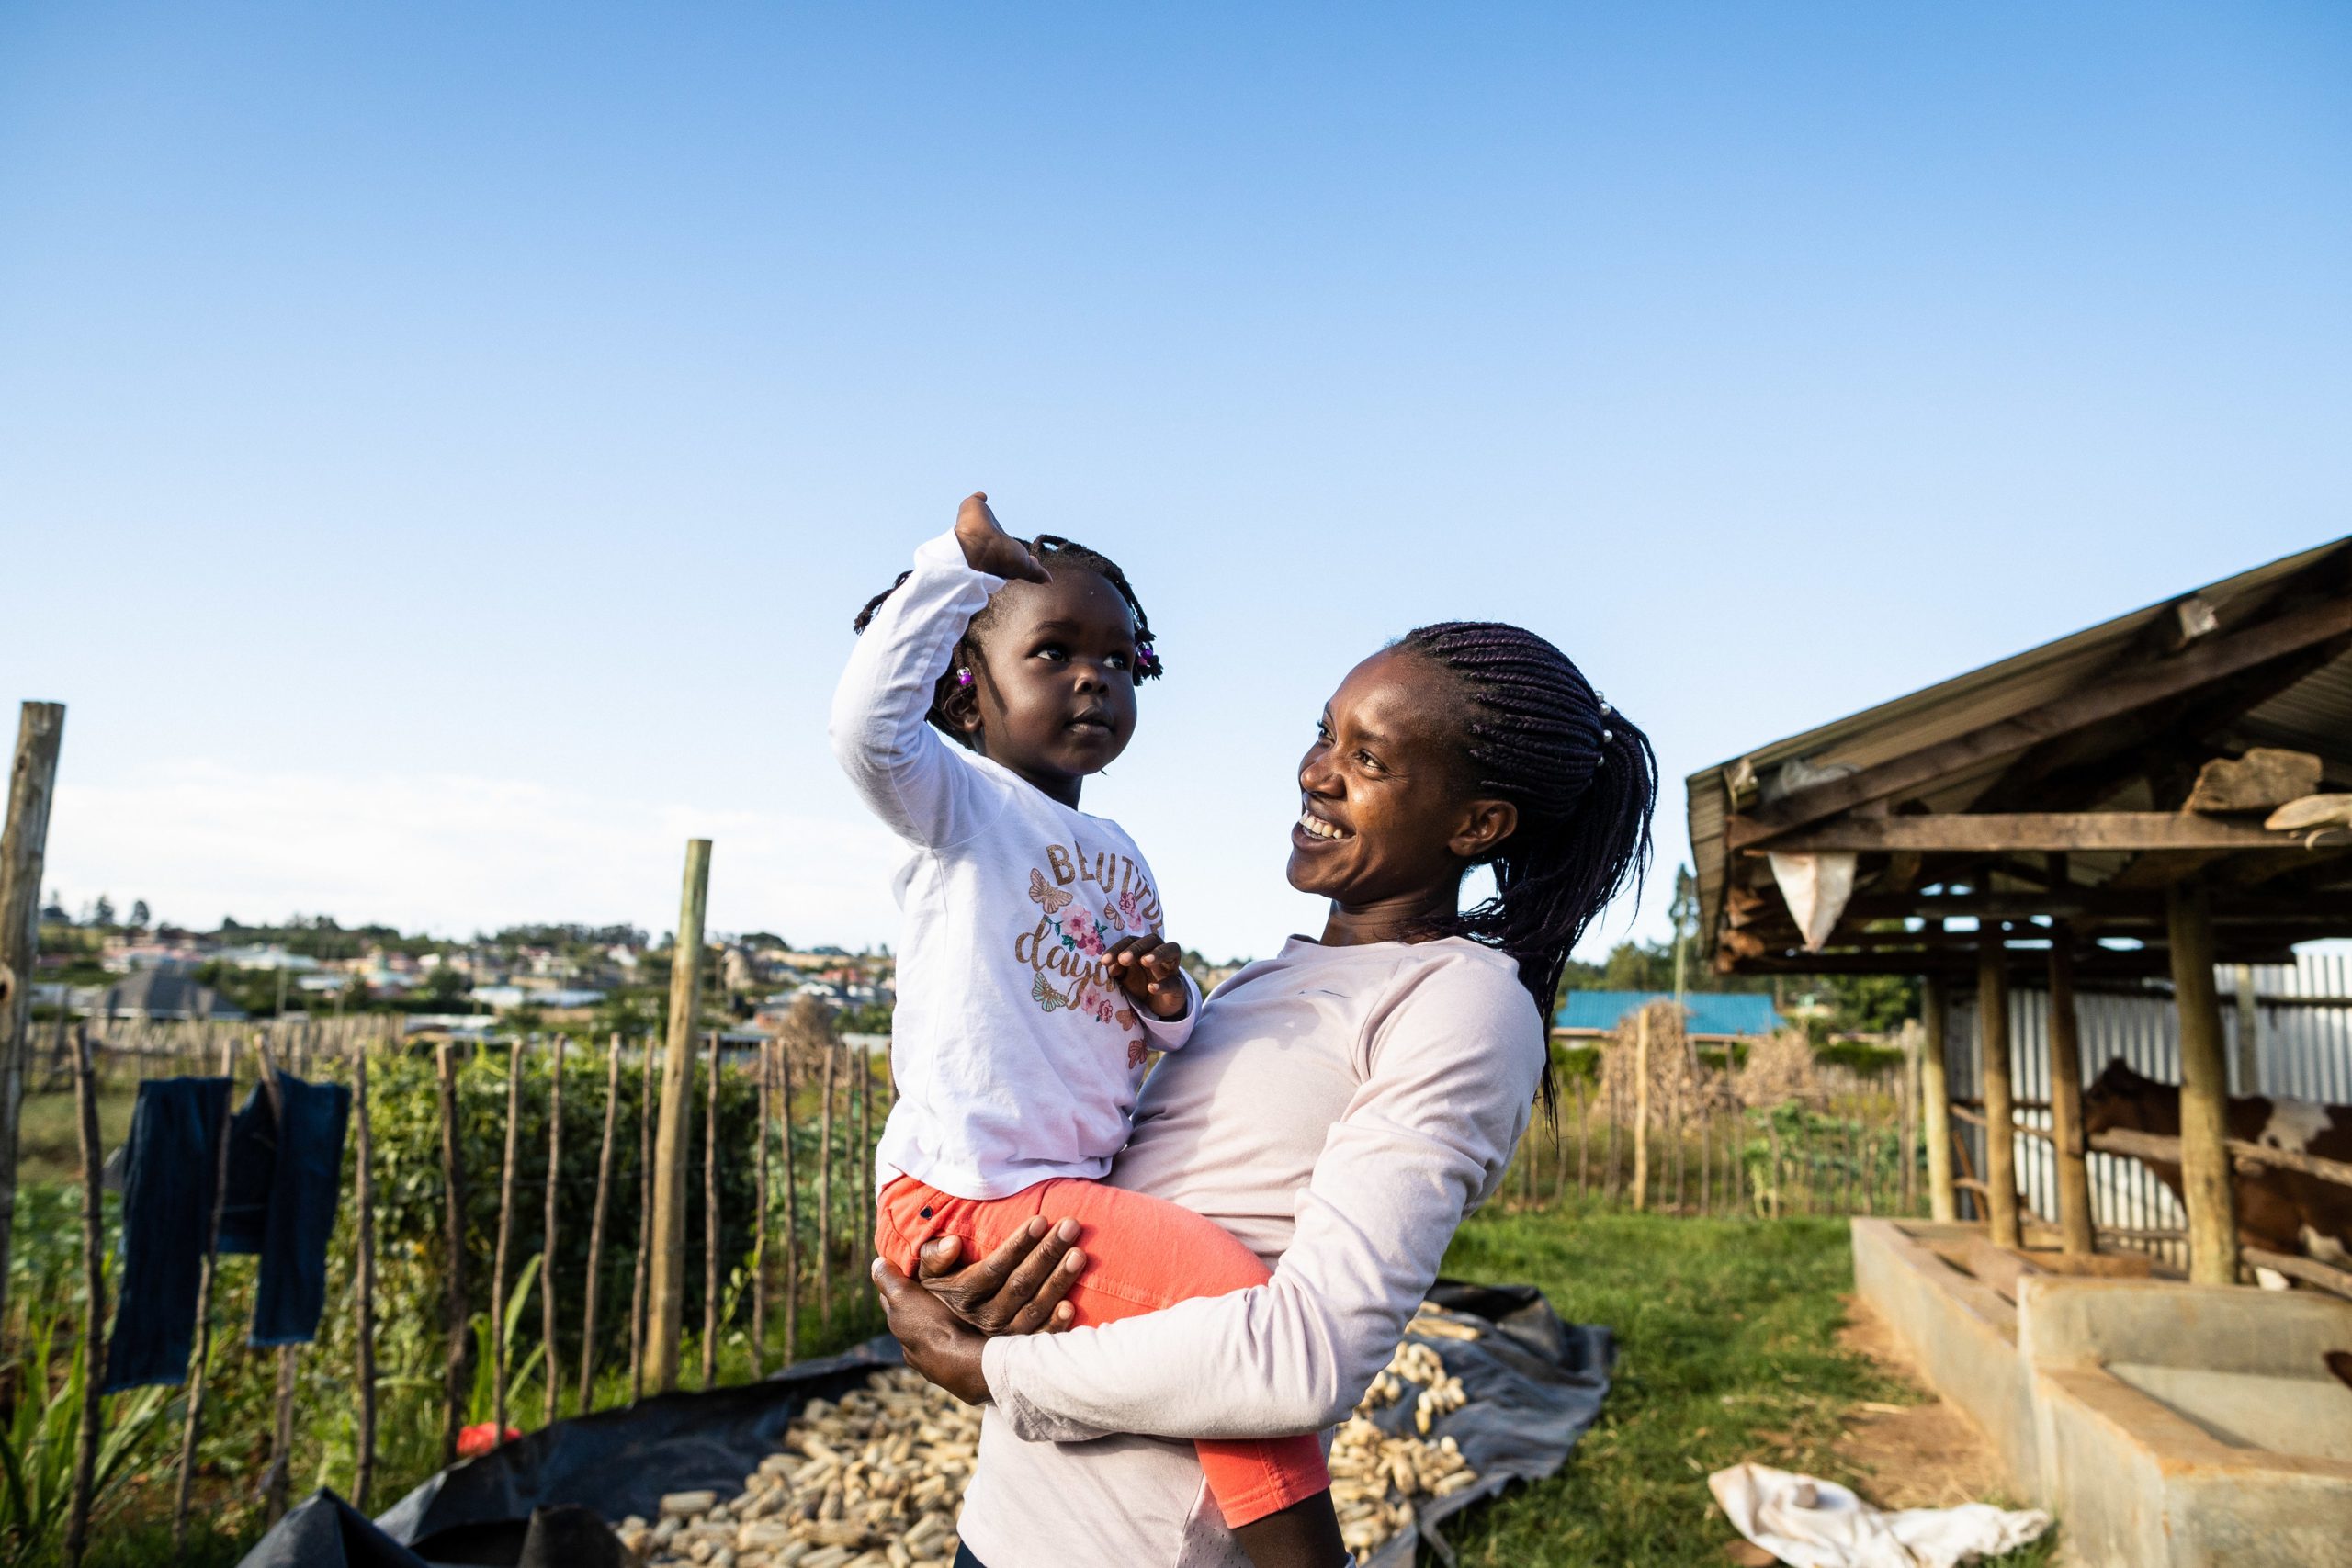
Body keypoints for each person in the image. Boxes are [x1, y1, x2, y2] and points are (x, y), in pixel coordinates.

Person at [875, 621, 1657, 1568]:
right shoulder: (1253, 983)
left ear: (1476, 825)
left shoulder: (1459, 1002)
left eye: (1367, 759)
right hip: (1006, 1527)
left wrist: (992, 1369)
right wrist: (982, 1280)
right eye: (1324, 733)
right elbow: (1108, 1226)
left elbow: (1306, 1355)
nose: (1317, 773)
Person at [833, 493, 1345, 1566]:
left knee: (1215, 1340)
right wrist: (956, 571)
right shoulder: (957, 806)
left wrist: (1171, 1007)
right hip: (971, 1195)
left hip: (1060, 1190)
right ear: (966, 697)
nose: (1091, 679)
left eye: (1117, 660)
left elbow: (1122, 1030)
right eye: (1054, 651)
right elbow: (865, 733)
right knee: (1237, 1319)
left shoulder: (1115, 848)